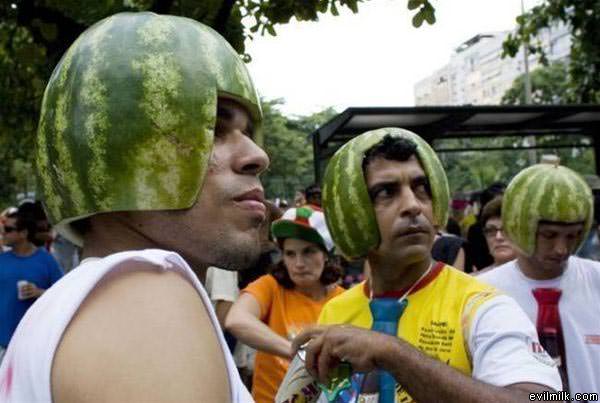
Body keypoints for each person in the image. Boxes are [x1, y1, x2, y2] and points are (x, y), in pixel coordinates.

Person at [0, 12, 269, 402]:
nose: (258, 156)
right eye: (213, 127)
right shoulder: (147, 293)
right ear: (116, 150)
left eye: (246, 132)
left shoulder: (82, 303)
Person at [277, 128, 560, 403]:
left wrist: (392, 353)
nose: (413, 205)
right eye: (386, 192)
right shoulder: (337, 311)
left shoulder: (481, 307)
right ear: (354, 215)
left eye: (421, 188)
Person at [479, 163, 600, 397]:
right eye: (549, 235)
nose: (561, 249)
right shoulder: (482, 293)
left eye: (573, 235)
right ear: (519, 226)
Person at [226, 205, 345, 403]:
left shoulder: (344, 301)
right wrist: (297, 352)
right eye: (290, 254)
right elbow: (236, 320)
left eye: (308, 252)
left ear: (326, 254)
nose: (299, 263)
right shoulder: (270, 287)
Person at [0, 208, 63, 363]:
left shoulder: (47, 261)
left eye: (8, 230)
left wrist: (39, 292)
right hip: (2, 343)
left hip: (32, 345)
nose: (3, 234)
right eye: (3, 229)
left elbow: (63, 295)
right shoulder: (2, 260)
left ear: (24, 233)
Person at [474, 196, 517, 274]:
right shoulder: (474, 281)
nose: (498, 237)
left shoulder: (541, 279)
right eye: (491, 230)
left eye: (506, 230)